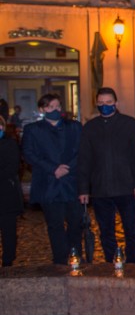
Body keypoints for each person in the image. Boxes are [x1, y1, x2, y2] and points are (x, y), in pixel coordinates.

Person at [78, 87, 135, 263]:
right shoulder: (90, 127)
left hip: (126, 186)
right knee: (106, 231)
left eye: (108, 102)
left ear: (116, 103)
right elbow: (84, 160)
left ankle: (133, 262)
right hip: (100, 188)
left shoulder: (129, 124)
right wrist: (83, 189)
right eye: (101, 102)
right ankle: (111, 262)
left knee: (131, 229)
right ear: (96, 103)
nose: (105, 105)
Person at [22, 94, 83, 265]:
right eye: (50, 107)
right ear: (42, 109)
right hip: (48, 184)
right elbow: (29, 153)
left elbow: (82, 150)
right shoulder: (33, 129)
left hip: (71, 182)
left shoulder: (74, 127)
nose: (55, 110)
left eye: (57, 106)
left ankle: (76, 256)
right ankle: (60, 260)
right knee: (55, 225)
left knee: (76, 223)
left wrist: (67, 168)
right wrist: (53, 169)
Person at [0, 116, 22, 266]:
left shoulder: (10, 144)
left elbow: (12, 168)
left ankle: (8, 262)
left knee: (8, 231)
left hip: (6, 194)